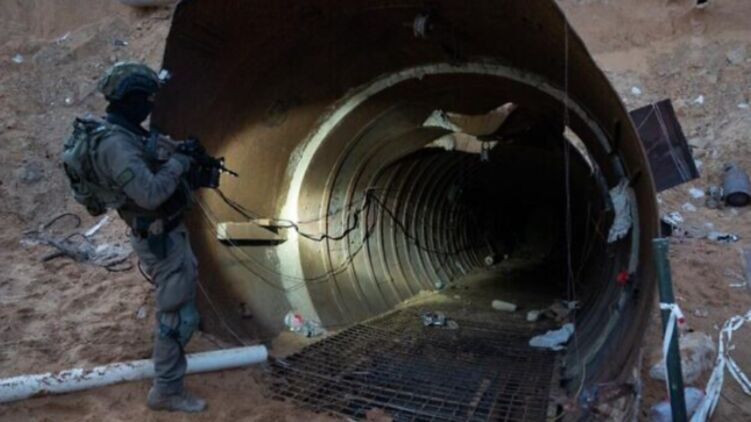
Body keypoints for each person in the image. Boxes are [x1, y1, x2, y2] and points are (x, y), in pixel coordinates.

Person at [80, 62, 206, 412]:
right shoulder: (115, 145)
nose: (150, 106)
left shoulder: (123, 132)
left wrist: (178, 149)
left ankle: (167, 375)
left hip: (165, 233)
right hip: (158, 237)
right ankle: (166, 390)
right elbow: (149, 194)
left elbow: (148, 149)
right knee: (175, 315)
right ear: (131, 99)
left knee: (179, 307)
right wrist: (180, 164)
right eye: (147, 99)